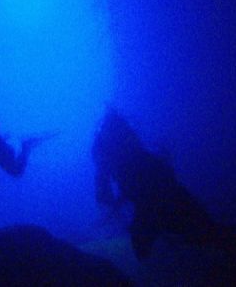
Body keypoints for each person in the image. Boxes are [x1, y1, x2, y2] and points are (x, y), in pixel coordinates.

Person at [92, 108, 224, 259]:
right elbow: (107, 194)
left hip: (161, 196)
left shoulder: (111, 152)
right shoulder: (122, 150)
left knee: (203, 233)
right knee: (204, 233)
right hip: (162, 195)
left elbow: (106, 195)